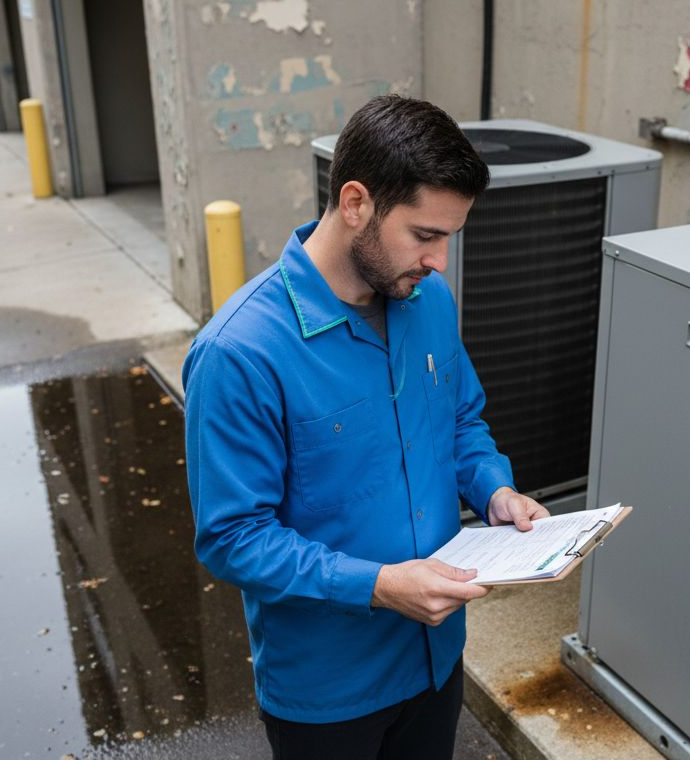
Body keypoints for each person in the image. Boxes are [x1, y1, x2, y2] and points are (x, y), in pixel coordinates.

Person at [182, 94, 548, 760]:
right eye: (425, 235)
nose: (440, 261)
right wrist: (379, 587)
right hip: (329, 692)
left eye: (449, 237)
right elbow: (233, 538)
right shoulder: (239, 352)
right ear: (356, 203)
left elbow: (460, 420)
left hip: (437, 659)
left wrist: (494, 488)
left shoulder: (427, 299)